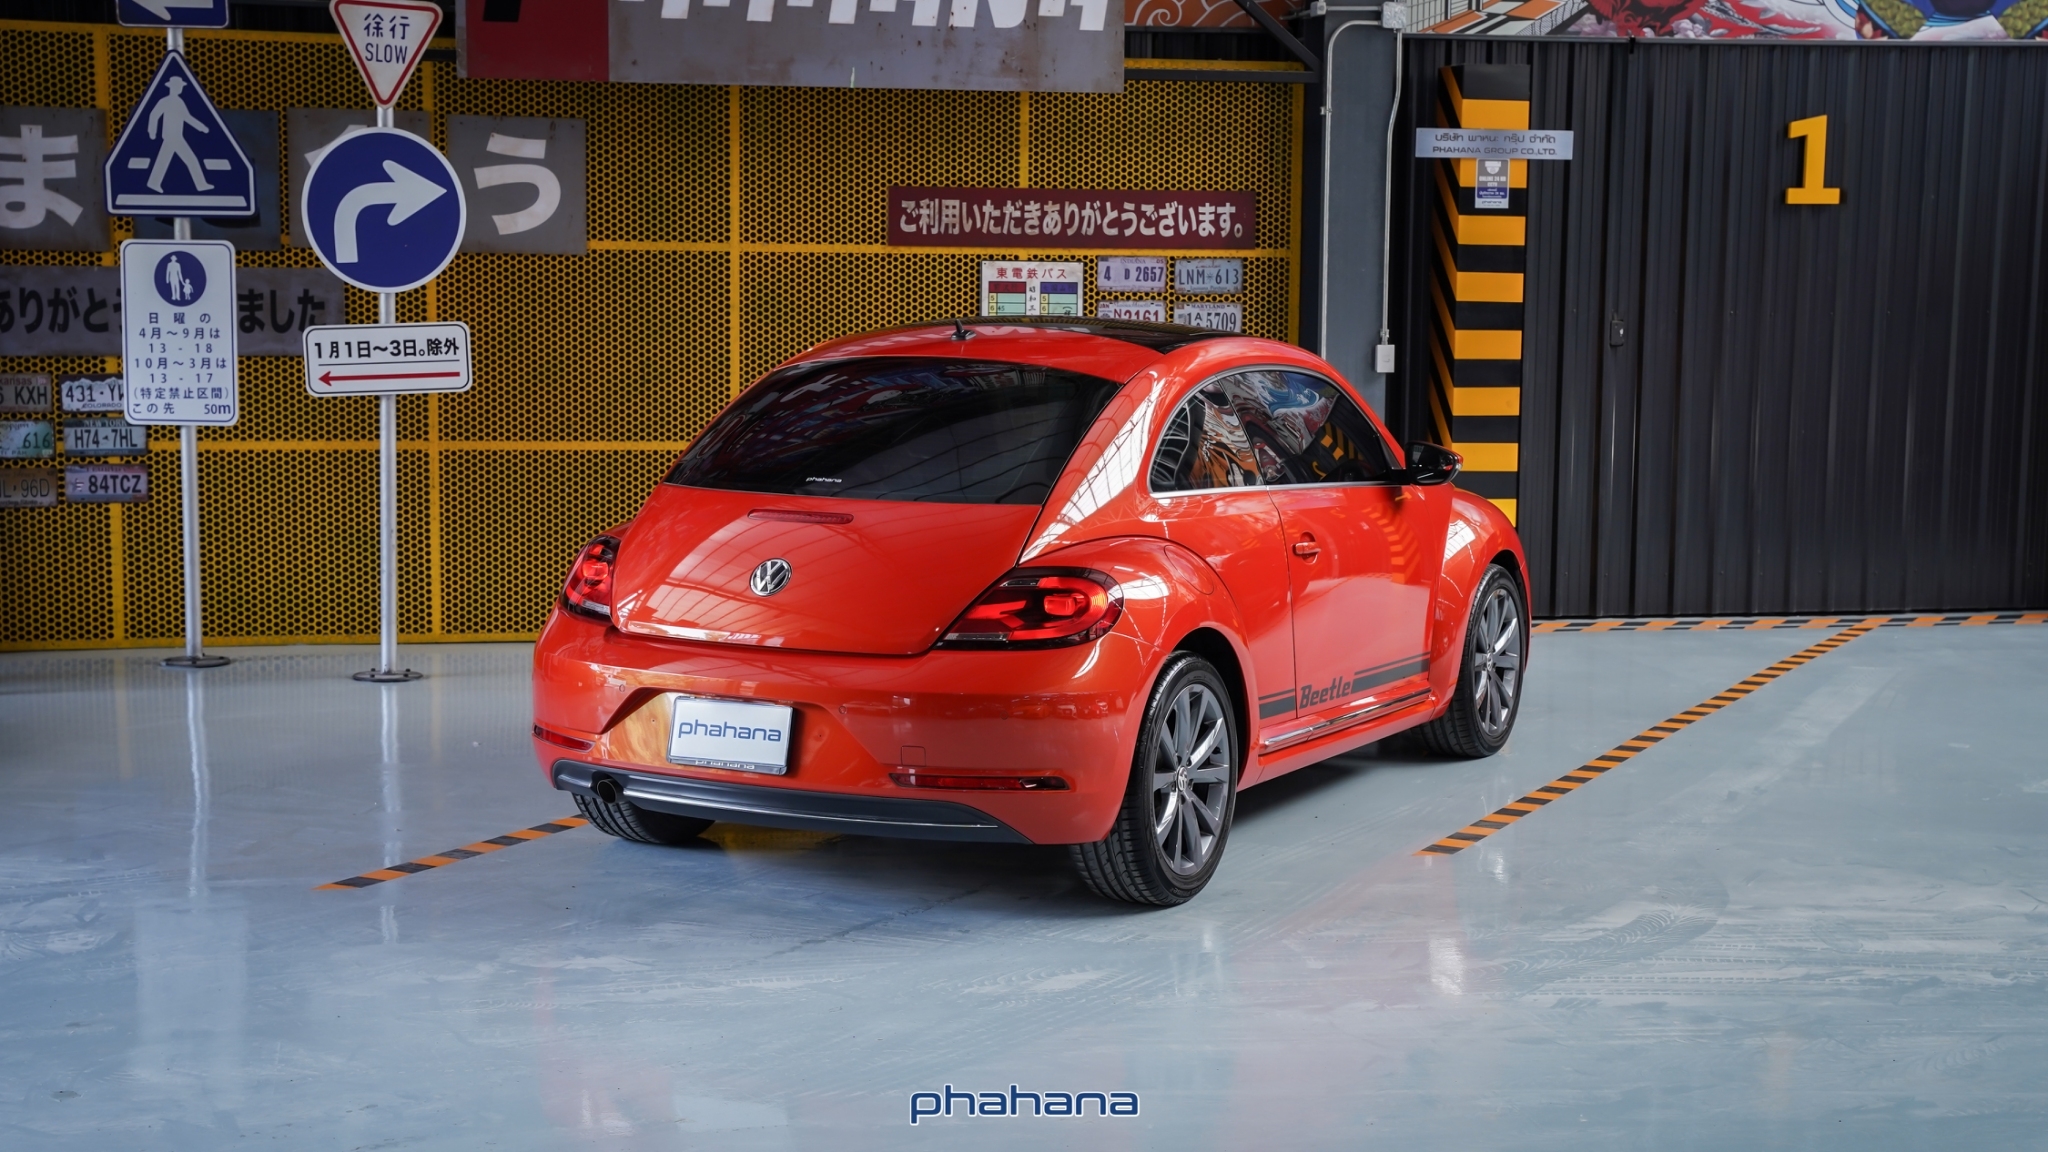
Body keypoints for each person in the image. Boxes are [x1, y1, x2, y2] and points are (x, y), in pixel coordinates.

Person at [145, 77, 213, 194]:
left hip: (176, 137)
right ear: (172, 87)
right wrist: (152, 132)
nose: (180, 88)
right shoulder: (165, 101)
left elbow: (187, 117)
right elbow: (154, 115)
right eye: (178, 86)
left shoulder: (179, 102)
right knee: (191, 160)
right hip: (171, 137)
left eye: (180, 86)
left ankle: (154, 183)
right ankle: (201, 185)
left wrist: (201, 127)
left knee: (164, 160)